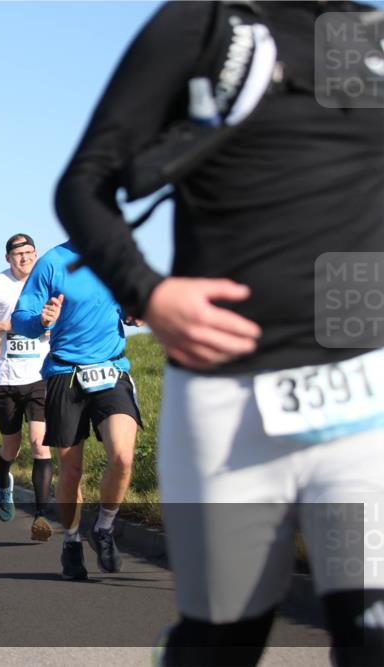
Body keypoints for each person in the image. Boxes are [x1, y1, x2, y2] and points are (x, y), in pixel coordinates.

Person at [54, 3, 383, 664]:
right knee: (225, 640)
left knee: (371, 635)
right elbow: (84, 184)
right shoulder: (208, 25)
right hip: (229, 401)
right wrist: (150, 291)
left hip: (363, 395)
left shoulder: (364, 39)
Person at [12, 242, 142, 580]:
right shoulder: (52, 263)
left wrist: (135, 313)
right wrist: (40, 320)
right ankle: (71, 541)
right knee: (71, 470)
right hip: (65, 374)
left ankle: (104, 527)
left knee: (123, 457)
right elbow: (20, 319)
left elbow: (133, 304)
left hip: (112, 369)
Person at [0, 233, 54, 539]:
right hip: (4, 379)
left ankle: (41, 517)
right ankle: (4, 478)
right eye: (18, 254)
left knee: (40, 445)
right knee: (11, 446)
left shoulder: (47, 283)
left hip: (39, 376)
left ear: (36, 254)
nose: (24, 258)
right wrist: (3, 325)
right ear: (8, 258)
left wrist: (50, 326)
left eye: (29, 252)